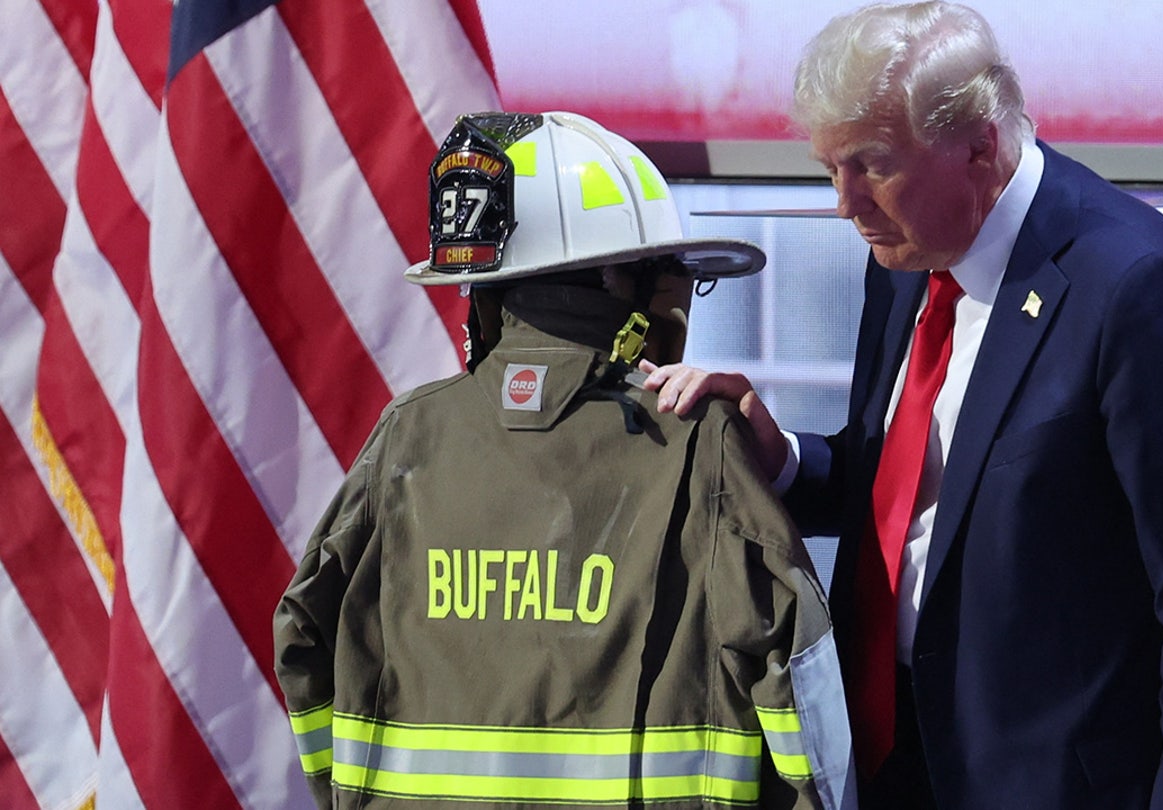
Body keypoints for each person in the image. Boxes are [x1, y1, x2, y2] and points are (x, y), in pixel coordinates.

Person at [643, 3, 1163, 808]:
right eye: (828, 168)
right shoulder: (909, 253)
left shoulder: (1140, 292)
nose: (845, 203)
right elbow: (919, 492)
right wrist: (783, 461)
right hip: (895, 766)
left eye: (871, 164)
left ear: (981, 143)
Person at [274, 111, 856, 810]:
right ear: (629, 286)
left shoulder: (405, 437)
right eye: (673, 276)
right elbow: (798, 667)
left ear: (486, 299)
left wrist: (348, 793)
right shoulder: (697, 442)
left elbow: (302, 634)